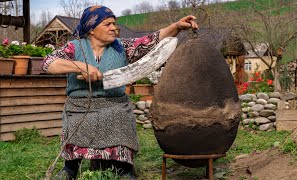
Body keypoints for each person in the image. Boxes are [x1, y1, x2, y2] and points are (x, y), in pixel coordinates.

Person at [42, 5, 198, 180]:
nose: (113, 28)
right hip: (80, 106)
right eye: (107, 24)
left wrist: (176, 26)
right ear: (91, 29)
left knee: (119, 117)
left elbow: (151, 40)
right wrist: (81, 66)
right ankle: (70, 168)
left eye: (114, 24)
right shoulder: (73, 47)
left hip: (114, 104)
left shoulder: (122, 47)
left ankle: (125, 169)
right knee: (79, 121)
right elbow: (48, 62)